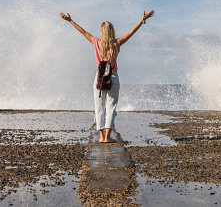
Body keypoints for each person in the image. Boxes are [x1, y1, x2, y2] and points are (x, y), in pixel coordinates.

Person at [59, 10, 155, 143]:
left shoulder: (96, 42)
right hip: (113, 77)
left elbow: (82, 31)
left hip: (99, 78)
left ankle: (101, 137)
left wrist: (70, 21)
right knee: (111, 107)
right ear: (112, 31)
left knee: (99, 108)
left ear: (102, 32)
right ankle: (108, 137)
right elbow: (132, 32)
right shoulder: (117, 43)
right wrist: (142, 20)